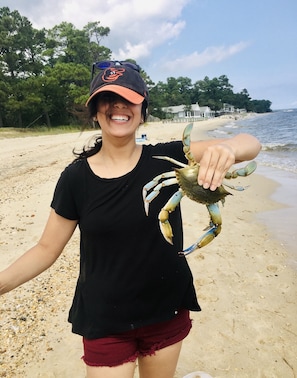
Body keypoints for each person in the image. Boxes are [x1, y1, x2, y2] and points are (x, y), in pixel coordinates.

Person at [0, 61, 261, 378]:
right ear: (95, 111)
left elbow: (251, 144)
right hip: (104, 321)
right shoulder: (75, 179)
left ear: (143, 110)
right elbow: (45, 249)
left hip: (166, 308)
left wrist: (229, 149)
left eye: (129, 98)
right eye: (107, 99)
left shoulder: (171, 157)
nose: (118, 106)